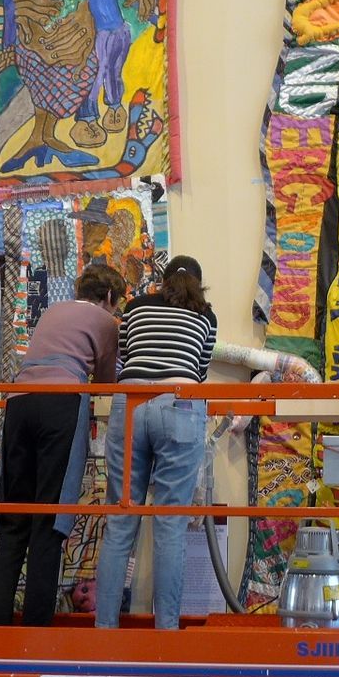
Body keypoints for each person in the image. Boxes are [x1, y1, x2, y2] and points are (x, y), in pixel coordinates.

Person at [0, 262, 126, 626]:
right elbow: (107, 383)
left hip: (19, 399)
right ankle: (36, 629)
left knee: (15, 518)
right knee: (48, 519)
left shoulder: (53, 310)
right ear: (110, 297)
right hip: (61, 400)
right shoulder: (108, 323)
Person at [93, 256, 218, 629]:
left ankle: (104, 632)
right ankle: (166, 631)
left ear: (162, 282)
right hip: (178, 401)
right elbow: (199, 370)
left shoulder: (136, 306)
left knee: (120, 522)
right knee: (169, 525)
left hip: (129, 404)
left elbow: (126, 358)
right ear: (198, 283)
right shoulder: (206, 315)